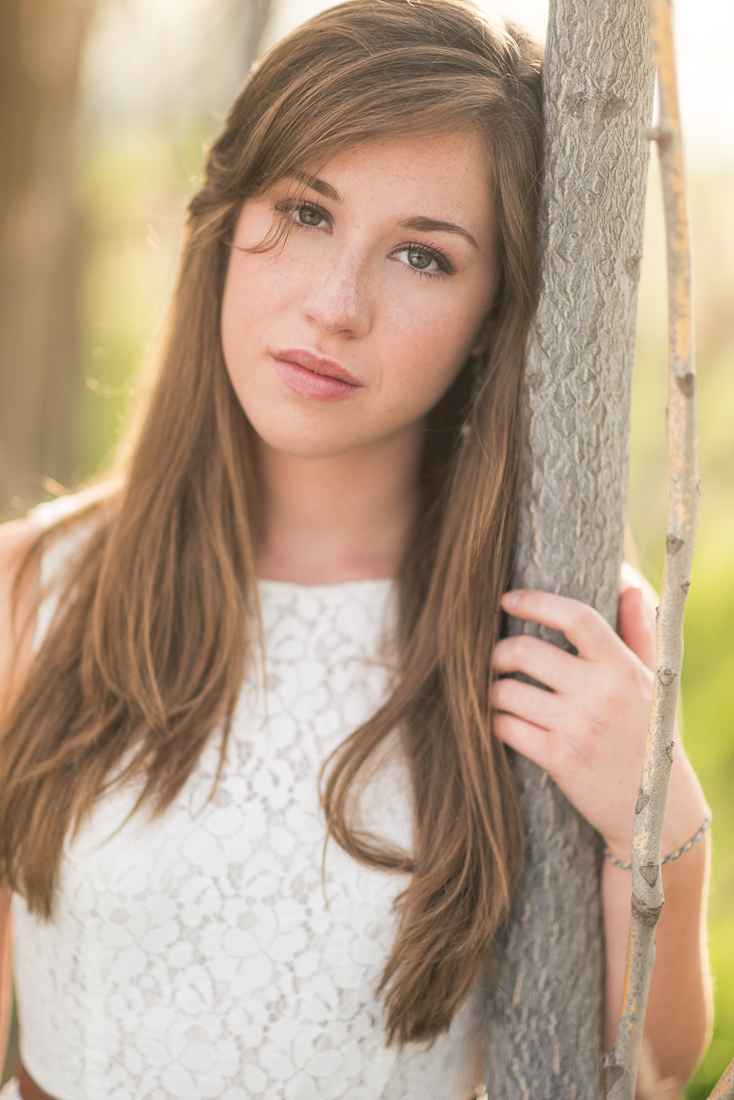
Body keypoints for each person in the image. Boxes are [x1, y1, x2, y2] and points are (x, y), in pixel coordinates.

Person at [0, 1, 712, 1097]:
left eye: (422, 256)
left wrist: (658, 821)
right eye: (304, 210)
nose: (334, 306)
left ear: (491, 313)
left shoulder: (548, 625)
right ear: (223, 219)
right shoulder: (31, 589)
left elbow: (656, 1068)